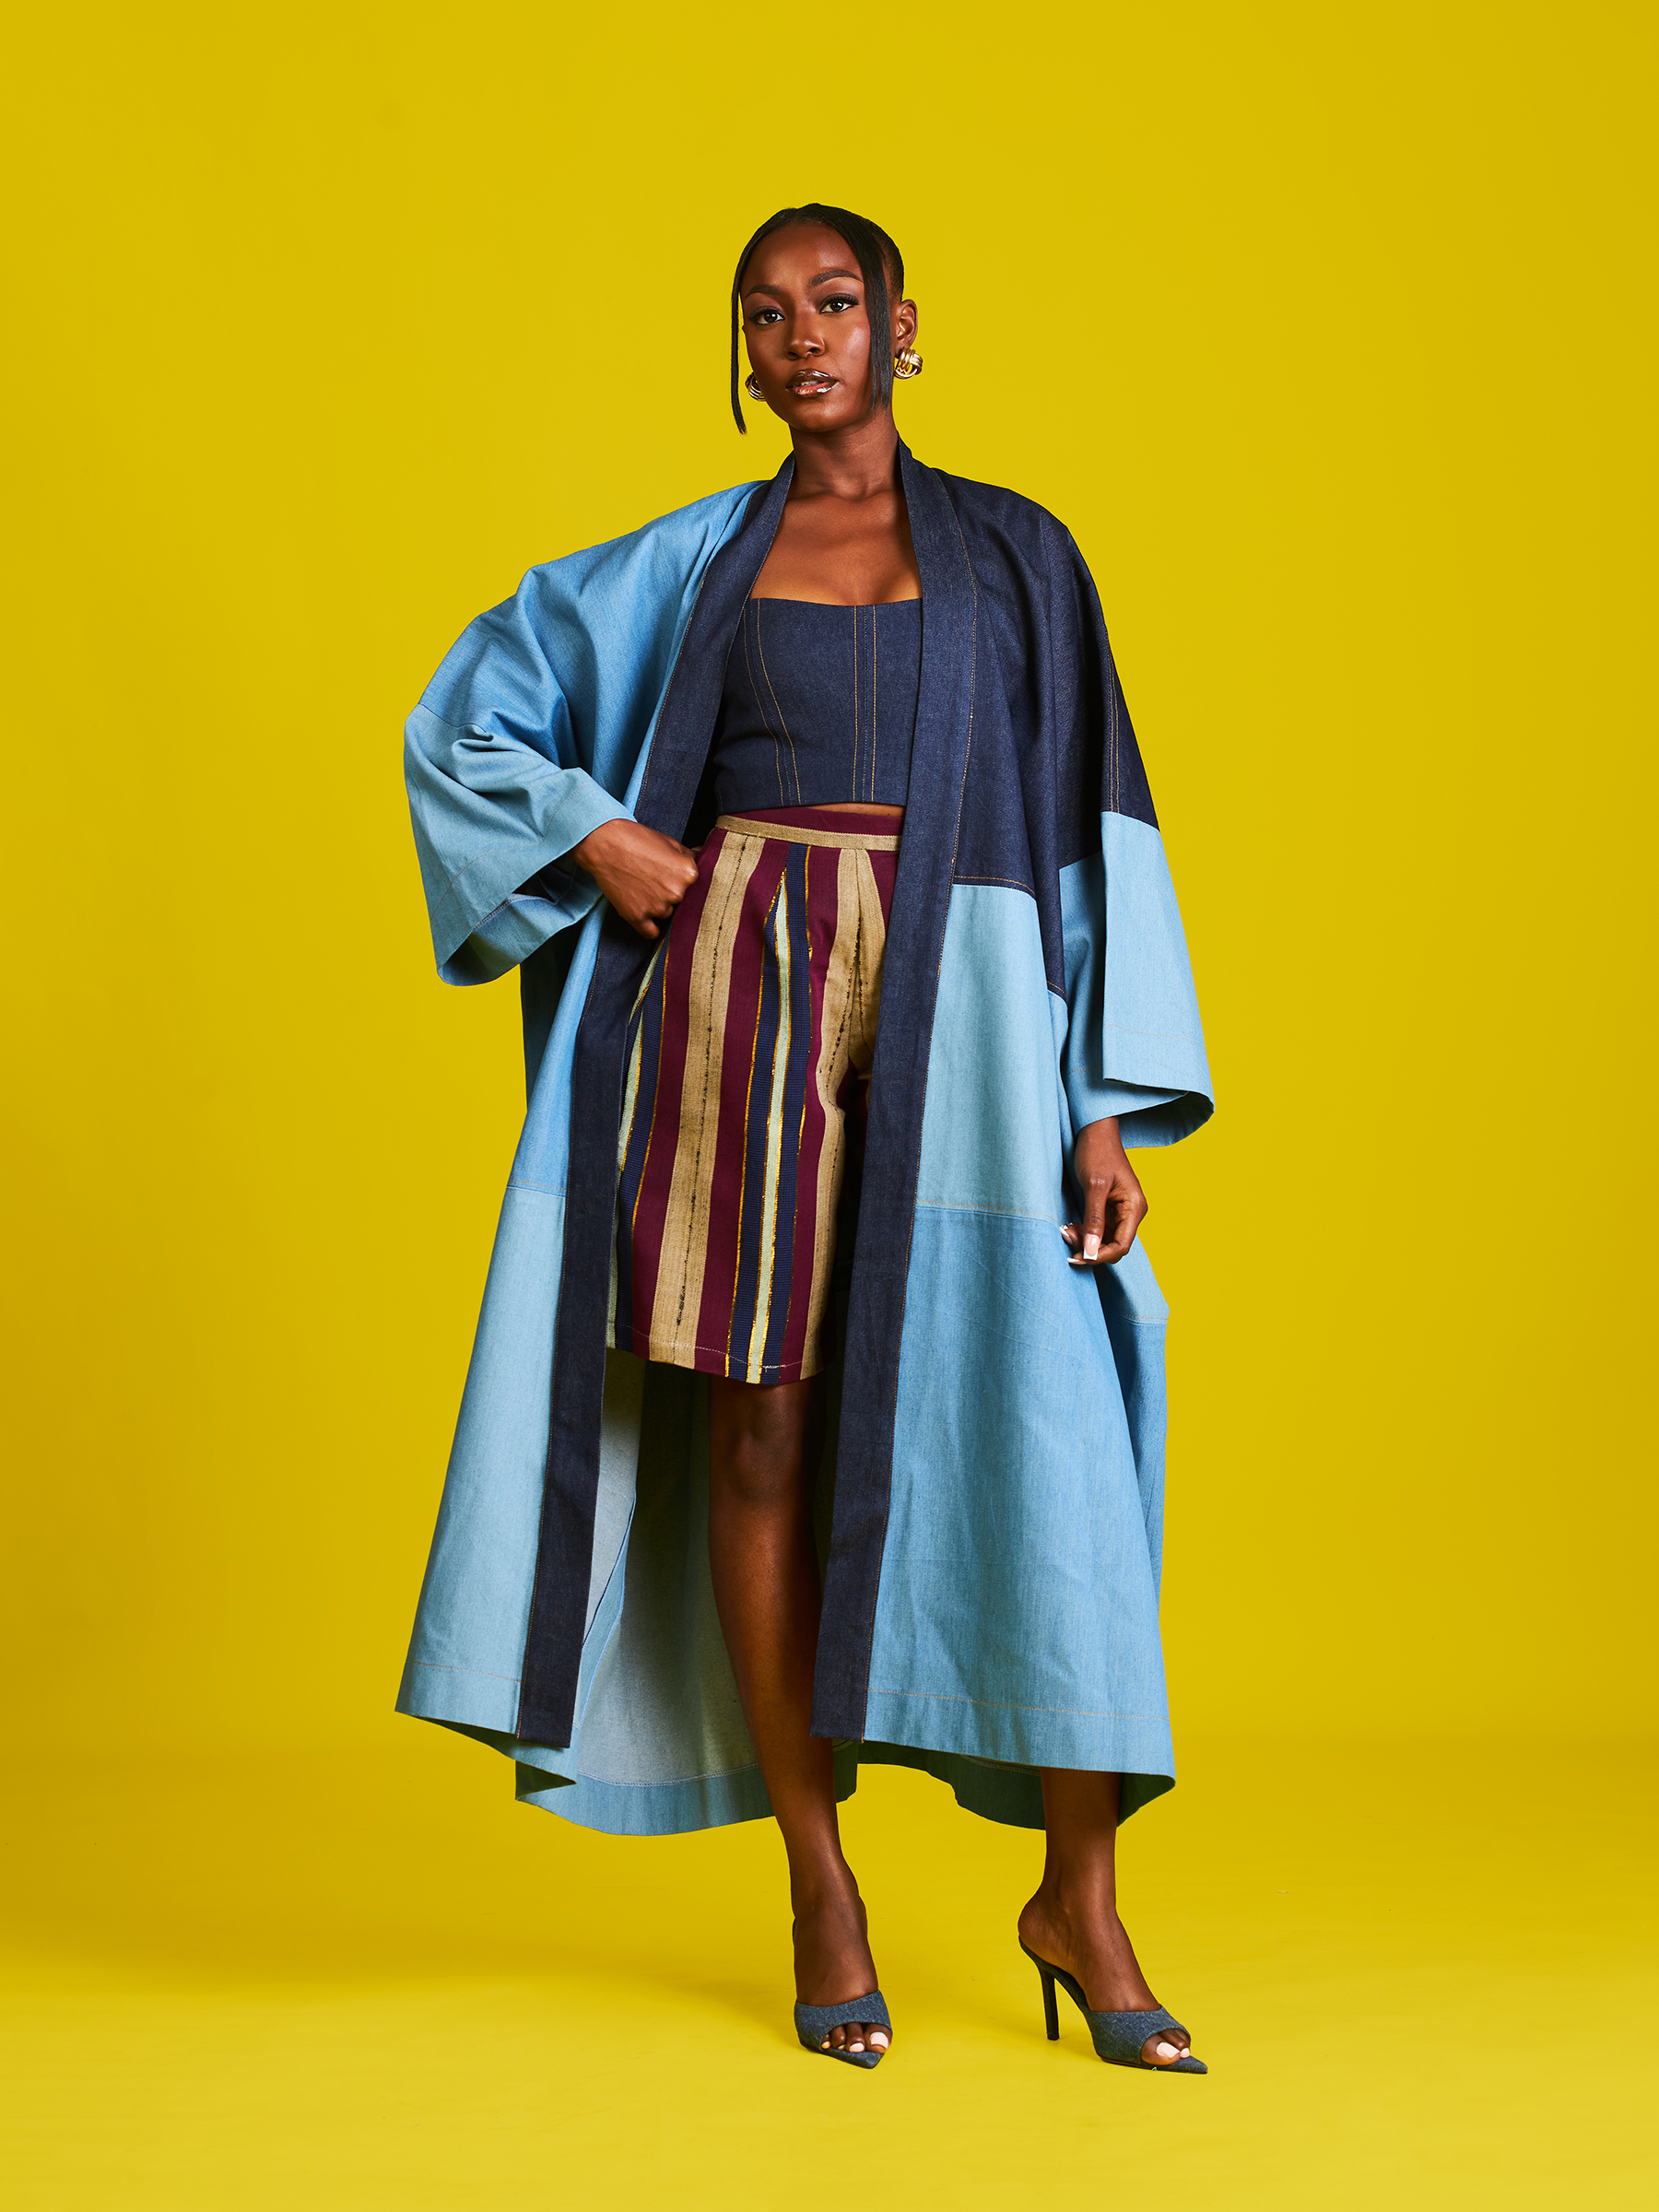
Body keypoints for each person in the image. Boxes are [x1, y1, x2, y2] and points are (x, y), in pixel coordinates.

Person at [399, 204, 1213, 2073]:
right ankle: (818, 1881)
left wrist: (1101, 1101)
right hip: (733, 996)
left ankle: (1080, 1899)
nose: (803, 337)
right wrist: (597, 832)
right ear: (745, 353)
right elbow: (468, 718)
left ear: (904, 326)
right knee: (757, 1429)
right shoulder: (693, 561)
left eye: (835, 303)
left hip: (971, 1004)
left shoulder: (1021, 554)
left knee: (1039, 1418)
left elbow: (1093, 824)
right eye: (766, 314)